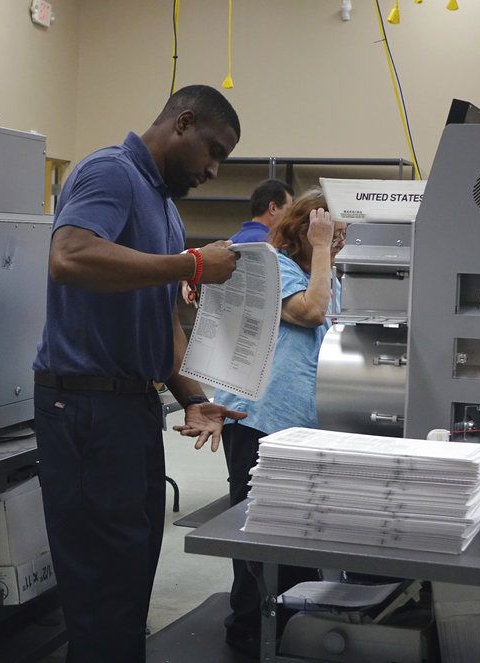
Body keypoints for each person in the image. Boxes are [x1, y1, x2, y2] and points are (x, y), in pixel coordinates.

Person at [32, 84, 248, 663]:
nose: (213, 169)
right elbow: (69, 257)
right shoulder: (110, 172)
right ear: (182, 123)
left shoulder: (166, 209)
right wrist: (193, 263)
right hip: (82, 408)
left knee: (129, 573)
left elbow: (163, 321)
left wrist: (191, 395)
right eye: (214, 150)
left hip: (129, 409)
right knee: (100, 582)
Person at [213, 188, 347, 657]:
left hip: (299, 424)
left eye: (342, 234)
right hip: (258, 418)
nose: (338, 241)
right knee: (254, 528)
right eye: (332, 232)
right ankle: (249, 625)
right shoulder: (274, 268)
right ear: (305, 229)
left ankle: (290, 619)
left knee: (294, 528)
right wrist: (322, 249)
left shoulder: (324, 275)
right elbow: (309, 314)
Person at [229, 178, 294, 244]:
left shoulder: (233, 240)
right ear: (273, 208)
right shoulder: (268, 242)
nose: (290, 217)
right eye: (288, 210)